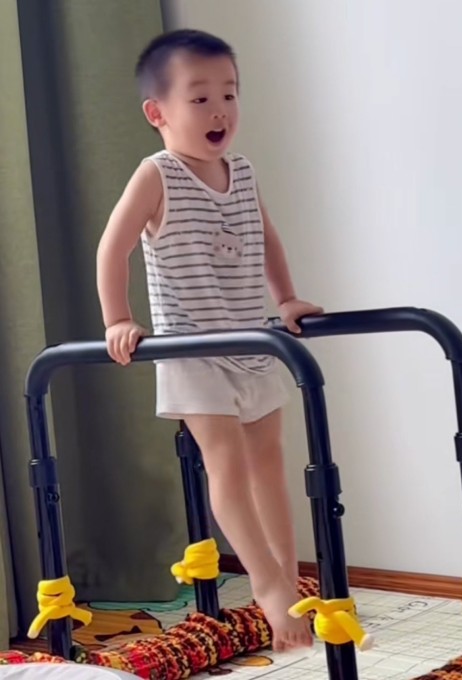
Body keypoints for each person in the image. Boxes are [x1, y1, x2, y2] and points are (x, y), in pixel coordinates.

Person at [96, 29, 322, 648]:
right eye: (200, 99)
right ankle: (268, 585)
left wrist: (287, 298)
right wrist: (118, 319)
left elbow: (268, 237)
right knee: (225, 461)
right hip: (190, 348)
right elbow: (111, 248)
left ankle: (286, 572)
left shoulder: (241, 172)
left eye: (230, 94)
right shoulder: (157, 174)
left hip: (252, 342)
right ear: (158, 113)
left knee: (271, 462)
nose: (221, 109)